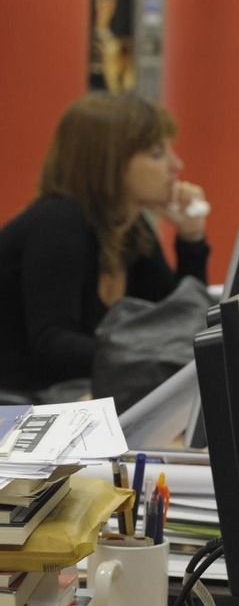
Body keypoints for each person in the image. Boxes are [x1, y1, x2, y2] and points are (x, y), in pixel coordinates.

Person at [0, 93, 209, 396]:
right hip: (18, 409)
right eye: (156, 152)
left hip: (70, 400)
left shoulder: (131, 228)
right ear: (109, 163)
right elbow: (52, 347)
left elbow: (181, 322)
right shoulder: (57, 222)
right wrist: (151, 360)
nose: (176, 165)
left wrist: (191, 239)